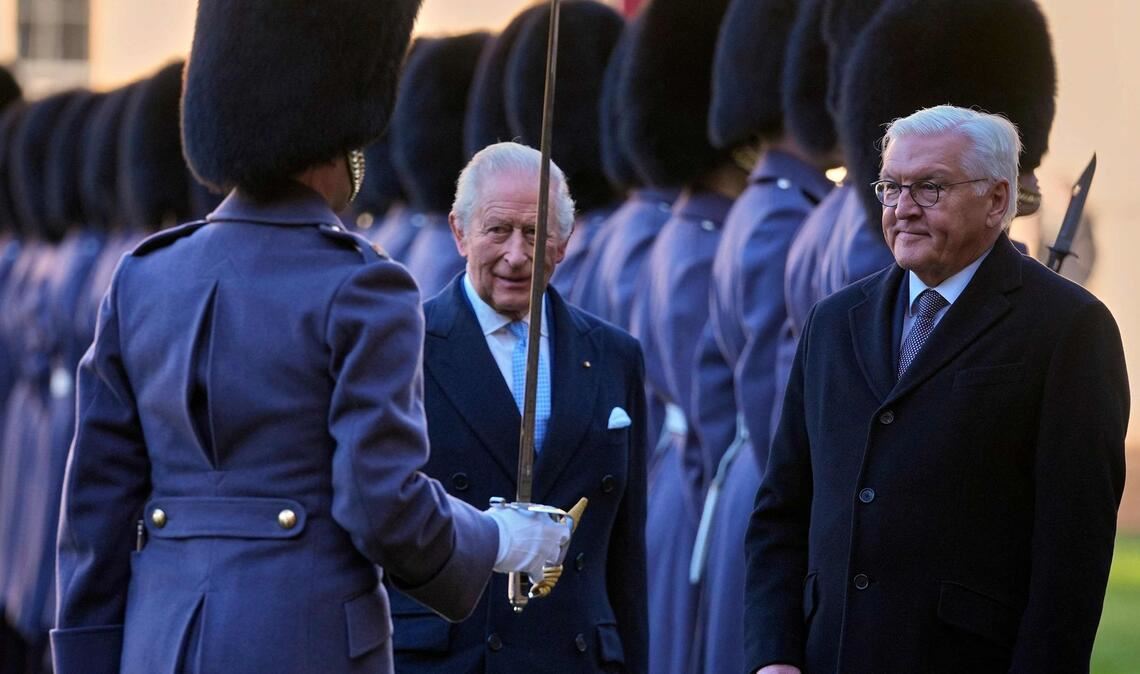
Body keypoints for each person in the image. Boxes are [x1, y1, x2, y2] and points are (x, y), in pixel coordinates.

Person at [50, 4, 571, 673]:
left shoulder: (144, 276)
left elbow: (94, 512)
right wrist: (498, 537)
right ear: (344, 145)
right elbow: (382, 504)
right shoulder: (365, 285)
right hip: (306, 643)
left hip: (159, 643)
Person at [744, 105, 1129, 674]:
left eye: (930, 188)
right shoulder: (833, 321)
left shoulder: (1069, 328)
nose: (903, 209)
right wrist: (773, 657)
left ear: (997, 200)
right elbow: (782, 511)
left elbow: (1071, 559)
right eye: (891, 187)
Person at [389, 141, 648, 674]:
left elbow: (625, 553)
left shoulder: (614, 356)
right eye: (497, 230)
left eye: (535, 233)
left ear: (563, 243)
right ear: (459, 234)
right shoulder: (402, 349)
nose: (515, 254)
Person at [690, 1, 837, 672]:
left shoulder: (770, 208)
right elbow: (761, 388)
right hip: (768, 481)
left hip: (741, 479)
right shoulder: (782, 214)